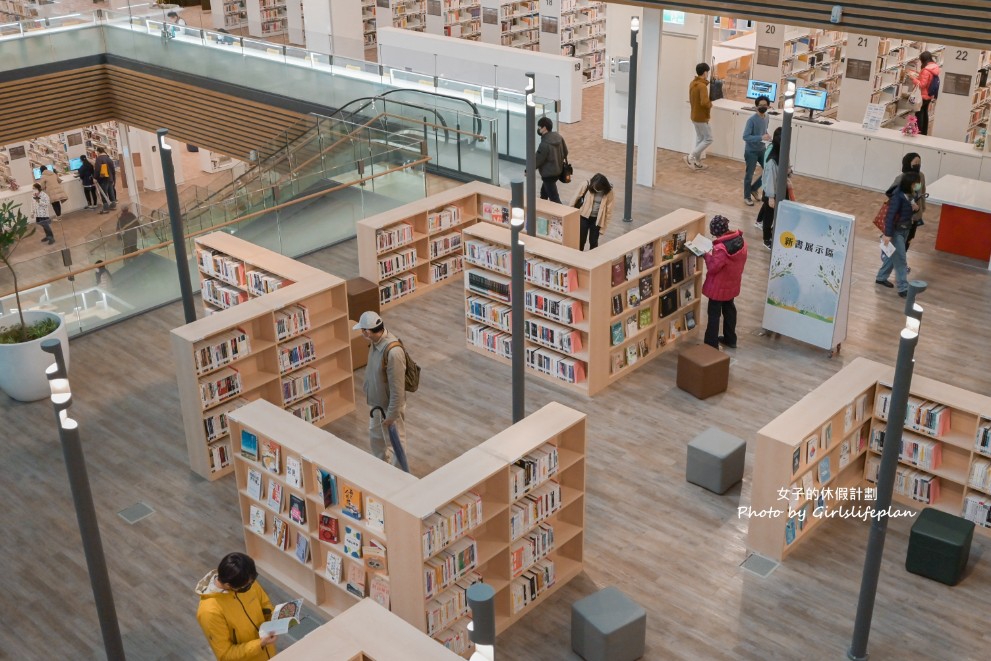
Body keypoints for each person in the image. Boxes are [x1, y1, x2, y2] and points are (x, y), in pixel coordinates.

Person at [195, 552, 277, 661]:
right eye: (246, 586)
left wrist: (274, 620)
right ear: (229, 585)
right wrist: (260, 644)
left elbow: (265, 605)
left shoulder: (246, 580)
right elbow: (225, 655)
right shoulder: (209, 612)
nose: (252, 585)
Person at [353, 311, 408, 467]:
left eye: (362, 330)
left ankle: (400, 473)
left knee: (396, 443)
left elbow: (398, 389)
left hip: (390, 408)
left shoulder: (393, 352)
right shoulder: (375, 343)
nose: (361, 333)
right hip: (377, 404)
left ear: (367, 332)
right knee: (376, 437)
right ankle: (381, 467)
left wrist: (392, 415)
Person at [701, 215, 747, 350]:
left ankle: (711, 344)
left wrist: (706, 255)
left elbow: (713, 268)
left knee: (714, 315)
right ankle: (730, 338)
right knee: (729, 310)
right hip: (732, 284)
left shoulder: (721, 249)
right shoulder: (741, 241)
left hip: (718, 288)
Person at [876, 171, 920, 297]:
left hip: (905, 229)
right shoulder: (897, 197)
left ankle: (881, 277)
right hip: (896, 232)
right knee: (901, 259)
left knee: (892, 257)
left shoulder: (910, 195)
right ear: (910, 184)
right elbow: (890, 217)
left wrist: (914, 207)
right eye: (916, 183)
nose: (918, 185)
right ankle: (903, 288)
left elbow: (907, 208)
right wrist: (888, 234)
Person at [887, 152, 926, 264]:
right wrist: (907, 202)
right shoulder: (901, 178)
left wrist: (922, 209)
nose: (918, 165)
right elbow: (891, 193)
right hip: (903, 216)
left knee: (908, 239)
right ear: (908, 163)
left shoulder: (921, 176)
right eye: (915, 163)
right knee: (899, 240)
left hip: (915, 215)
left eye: (919, 162)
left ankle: (900, 261)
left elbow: (923, 192)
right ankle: (895, 262)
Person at [741, 95, 772, 206]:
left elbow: (764, 130)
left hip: (762, 149)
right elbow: (745, 137)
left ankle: (754, 188)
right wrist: (760, 137)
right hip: (751, 151)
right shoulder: (751, 120)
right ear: (756, 106)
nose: (763, 107)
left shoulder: (767, 117)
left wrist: (767, 136)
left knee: (768, 170)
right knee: (749, 174)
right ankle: (747, 196)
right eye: (761, 105)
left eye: (765, 105)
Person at [571, 173, 614, 250]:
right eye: (594, 188)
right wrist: (569, 216)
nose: (596, 189)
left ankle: (592, 259)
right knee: (581, 240)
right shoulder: (585, 185)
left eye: (598, 189)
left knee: (593, 242)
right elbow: (574, 199)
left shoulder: (609, 192)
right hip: (583, 217)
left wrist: (603, 228)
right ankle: (578, 258)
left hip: (597, 220)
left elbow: (609, 211)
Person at [757, 127, 783, 249]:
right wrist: (771, 196)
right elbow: (770, 179)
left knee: (770, 213)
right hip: (770, 192)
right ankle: (766, 239)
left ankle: (769, 231)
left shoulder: (778, 153)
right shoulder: (772, 160)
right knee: (769, 216)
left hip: (775, 190)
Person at [686, 62, 713, 170]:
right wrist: (710, 104)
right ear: (705, 72)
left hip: (694, 115)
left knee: (700, 138)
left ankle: (697, 161)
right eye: (708, 72)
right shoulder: (702, 86)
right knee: (709, 139)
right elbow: (705, 102)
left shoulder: (693, 83)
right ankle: (690, 157)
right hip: (701, 117)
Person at [534, 117, 568, 204]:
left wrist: (528, 169)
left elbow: (538, 159)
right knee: (544, 194)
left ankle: (561, 215)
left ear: (544, 128)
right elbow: (565, 152)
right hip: (558, 171)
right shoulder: (559, 137)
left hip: (548, 174)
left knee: (555, 199)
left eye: (539, 127)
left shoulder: (544, 144)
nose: (538, 129)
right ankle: (541, 210)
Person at [906, 51, 940, 135]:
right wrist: (918, 75)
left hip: (923, 95)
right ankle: (924, 132)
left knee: (919, 113)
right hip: (929, 95)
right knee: (925, 112)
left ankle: (919, 132)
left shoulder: (926, 70)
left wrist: (912, 78)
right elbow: (927, 79)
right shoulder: (934, 67)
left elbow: (922, 84)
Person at [94, 146, 117, 213]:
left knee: (103, 193)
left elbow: (97, 169)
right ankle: (113, 206)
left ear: (98, 152)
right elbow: (113, 170)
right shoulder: (109, 158)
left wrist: (95, 177)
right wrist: (113, 179)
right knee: (111, 192)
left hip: (103, 179)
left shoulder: (99, 159)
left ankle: (106, 208)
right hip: (110, 178)